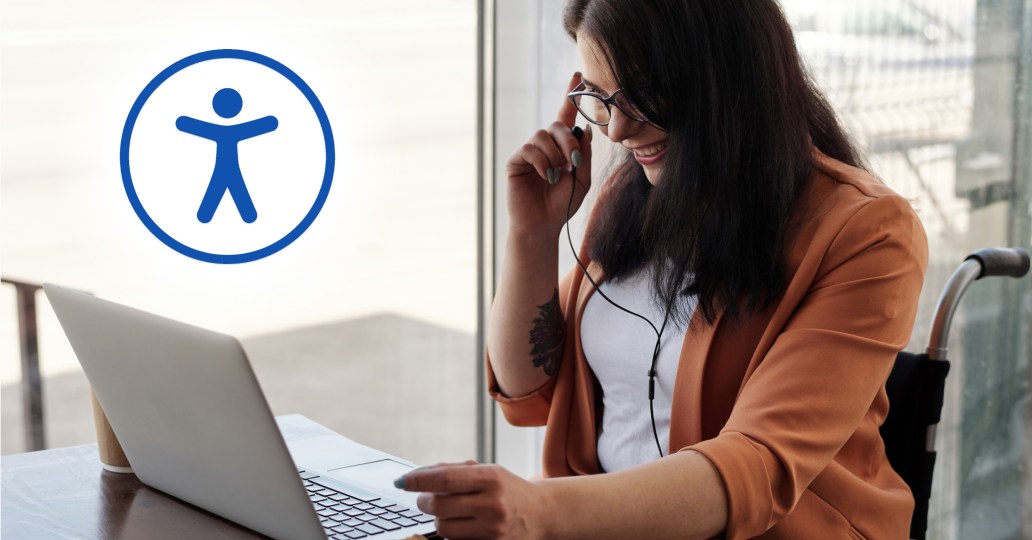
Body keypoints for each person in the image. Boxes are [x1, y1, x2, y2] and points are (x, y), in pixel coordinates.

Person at [396, 0, 927, 538]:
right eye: (600, 99)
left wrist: (540, 510)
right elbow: (528, 392)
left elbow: (759, 464)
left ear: (729, 79)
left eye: (642, 95)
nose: (617, 131)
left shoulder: (868, 232)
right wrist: (531, 236)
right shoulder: (634, 192)